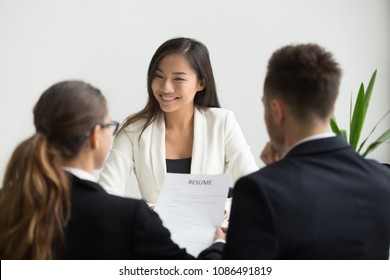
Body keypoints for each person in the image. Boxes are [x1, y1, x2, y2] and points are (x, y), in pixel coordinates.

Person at [0, 80, 224, 259]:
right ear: (96, 136)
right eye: (110, 125)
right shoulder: (130, 217)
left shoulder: (8, 203)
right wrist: (218, 245)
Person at [223, 43, 390, 259]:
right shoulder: (383, 179)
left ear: (276, 110)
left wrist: (218, 246)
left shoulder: (258, 191)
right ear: (331, 107)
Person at [98, 37, 258, 205]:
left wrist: (221, 210)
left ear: (201, 83)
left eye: (178, 79)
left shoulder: (222, 123)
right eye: (159, 76)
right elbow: (107, 194)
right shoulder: (133, 131)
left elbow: (253, 189)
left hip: (211, 230)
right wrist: (147, 212)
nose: (166, 87)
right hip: (154, 229)